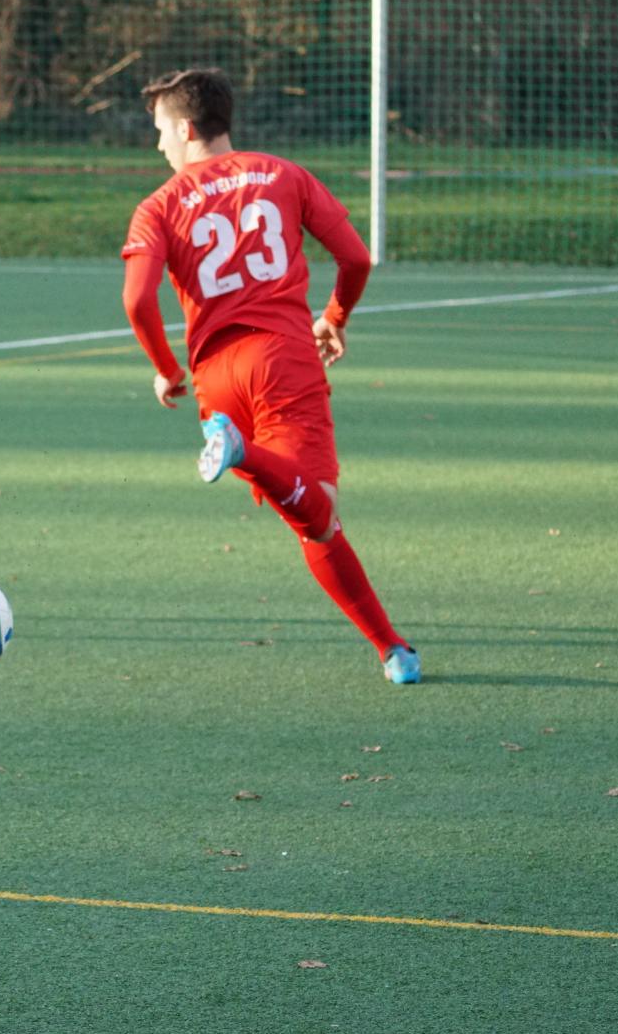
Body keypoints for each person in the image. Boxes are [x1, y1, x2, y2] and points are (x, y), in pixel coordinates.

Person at [119, 68, 419, 684]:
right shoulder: (285, 175)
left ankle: (394, 650)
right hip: (283, 360)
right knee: (320, 513)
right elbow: (356, 257)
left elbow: (138, 301)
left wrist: (165, 369)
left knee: (311, 520)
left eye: (159, 132)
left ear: (185, 127)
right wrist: (334, 316)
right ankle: (242, 452)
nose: (158, 146)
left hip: (215, 379)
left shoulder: (158, 206)